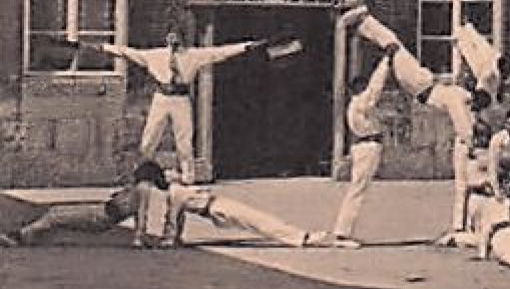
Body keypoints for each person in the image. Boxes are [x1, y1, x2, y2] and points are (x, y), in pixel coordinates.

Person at [346, 6, 488, 236]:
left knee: (395, 49)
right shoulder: (460, 98)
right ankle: (364, 22)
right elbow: (463, 112)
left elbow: (462, 121)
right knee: (395, 50)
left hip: (421, 85)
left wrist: (468, 138)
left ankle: (365, 22)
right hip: (423, 85)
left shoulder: (458, 99)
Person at [80, 29, 268, 184]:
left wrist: (246, 46)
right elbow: (127, 52)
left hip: (181, 98)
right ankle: (141, 173)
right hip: (161, 97)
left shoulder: (194, 55)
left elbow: (219, 52)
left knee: (184, 139)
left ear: (182, 39)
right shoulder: (155, 55)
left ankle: (188, 177)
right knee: (150, 136)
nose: (174, 41)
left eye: (177, 37)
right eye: (171, 37)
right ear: (167, 39)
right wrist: (103, 47)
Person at [0, 162, 169, 248]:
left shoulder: (143, 188)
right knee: (57, 214)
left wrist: (138, 237)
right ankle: (27, 235)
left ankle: (20, 236)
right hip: (102, 212)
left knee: (56, 215)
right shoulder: (140, 188)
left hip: (103, 216)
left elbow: (141, 212)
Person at [327, 55, 392, 248]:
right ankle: (342, 233)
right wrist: (386, 61)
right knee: (358, 189)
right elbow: (375, 87)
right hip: (367, 147)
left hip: (365, 146)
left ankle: (343, 231)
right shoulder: (360, 103)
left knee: (358, 188)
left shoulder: (357, 106)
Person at [161, 179, 320, 249]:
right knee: (257, 220)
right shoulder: (175, 189)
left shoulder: (174, 193)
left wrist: (169, 240)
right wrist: (176, 238)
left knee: (257, 221)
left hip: (217, 207)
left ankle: (299, 237)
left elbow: (172, 219)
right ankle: (298, 236)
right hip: (216, 207)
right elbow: (178, 218)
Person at [453, 23, 510, 118]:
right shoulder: (488, 74)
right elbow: (482, 94)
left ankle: (466, 32)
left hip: (509, 101)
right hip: (485, 72)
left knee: (482, 48)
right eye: (504, 72)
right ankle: (463, 33)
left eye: (508, 72)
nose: (506, 74)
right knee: (475, 52)